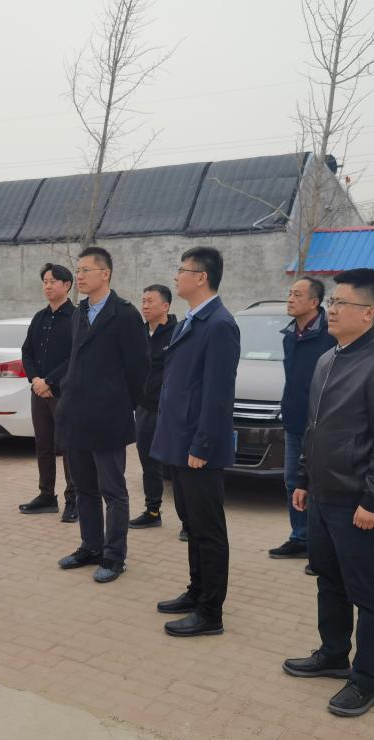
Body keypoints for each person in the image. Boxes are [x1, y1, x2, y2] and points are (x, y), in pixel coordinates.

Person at [283, 268, 374, 717]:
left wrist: (373, 501)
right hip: (322, 496)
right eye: (331, 302)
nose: (332, 310)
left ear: (369, 313)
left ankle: (366, 680)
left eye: (341, 303)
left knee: (368, 592)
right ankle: (334, 653)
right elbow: (314, 428)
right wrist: (304, 479)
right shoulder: (327, 359)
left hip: (358, 503)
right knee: (329, 578)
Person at [151, 247, 240, 637]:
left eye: (182, 270)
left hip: (198, 448)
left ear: (201, 277)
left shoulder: (219, 324)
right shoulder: (192, 319)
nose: (176, 277)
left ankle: (210, 612)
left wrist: (202, 446)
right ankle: (196, 590)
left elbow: (218, 395)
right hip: (179, 441)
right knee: (192, 523)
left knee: (208, 529)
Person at [55, 246, 148, 583]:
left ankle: (114, 556)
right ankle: (90, 546)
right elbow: (75, 359)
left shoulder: (124, 314)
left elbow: (139, 368)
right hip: (77, 415)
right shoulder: (79, 312)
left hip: (109, 416)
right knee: (84, 488)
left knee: (113, 490)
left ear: (105, 274)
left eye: (85, 270)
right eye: (77, 270)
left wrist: (121, 403)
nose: (78, 276)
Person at [269, 276, 334, 568]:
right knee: (293, 482)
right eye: (290, 293)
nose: (290, 298)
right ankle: (300, 538)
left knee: (317, 486)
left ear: (314, 302)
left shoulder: (330, 336)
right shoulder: (289, 335)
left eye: (297, 294)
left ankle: (320, 547)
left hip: (321, 425)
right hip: (294, 421)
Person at [19, 263, 77, 522]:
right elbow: (27, 351)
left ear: (67, 285)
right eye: (45, 281)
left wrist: (49, 381)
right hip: (39, 392)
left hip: (63, 393)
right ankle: (46, 496)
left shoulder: (76, 318)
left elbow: (75, 356)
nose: (48, 286)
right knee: (43, 445)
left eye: (53, 281)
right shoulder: (39, 317)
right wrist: (35, 380)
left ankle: (73, 499)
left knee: (68, 447)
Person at [129, 284, 177, 531]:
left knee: (176, 466)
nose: (145, 306)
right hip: (145, 408)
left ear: (165, 306)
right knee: (148, 463)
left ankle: (188, 521)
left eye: (151, 301)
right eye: (143, 301)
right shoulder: (139, 333)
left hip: (170, 410)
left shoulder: (178, 333)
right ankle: (152, 510)